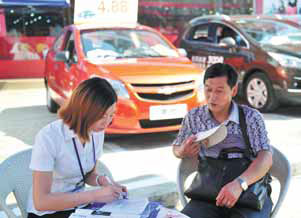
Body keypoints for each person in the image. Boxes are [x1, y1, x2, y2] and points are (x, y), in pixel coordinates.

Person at [172, 63, 273, 218]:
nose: (212, 96)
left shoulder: (251, 117)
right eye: (208, 89)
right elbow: (176, 148)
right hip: (207, 193)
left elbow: (266, 158)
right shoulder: (194, 117)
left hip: (249, 192)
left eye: (219, 91)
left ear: (233, 90)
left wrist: (240, 184)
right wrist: (182, 151)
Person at [27, 77, 127, 218]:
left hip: (80, 208)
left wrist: (103, 181)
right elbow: (41, 202)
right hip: (49, 212)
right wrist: (95, 195)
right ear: (84, 110)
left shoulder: (97, 132)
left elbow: (87, 174)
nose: (107, 122)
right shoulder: (48, 137)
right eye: (102, 116)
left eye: (111, 115)